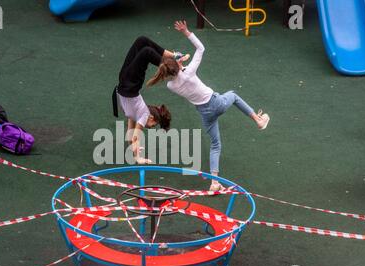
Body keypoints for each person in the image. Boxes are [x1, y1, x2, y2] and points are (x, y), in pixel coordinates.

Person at [147, 21, 270, 191]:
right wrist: (186, 32)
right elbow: (201, 48)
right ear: (178, 66)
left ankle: (214, 182)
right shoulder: (188, 72)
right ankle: (258, 120)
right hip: (215, 103)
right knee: (233, 95)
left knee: (215, 144)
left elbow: (178, 74)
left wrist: (179, 63)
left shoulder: (171, 86)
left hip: (205, 114)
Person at [114, 36, 182, 164]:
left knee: (142, 43)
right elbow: (136, 136)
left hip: (125, 82)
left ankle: (172, 60)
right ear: (151, 118)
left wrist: (132, 148)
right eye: (153, 125)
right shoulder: (144, 115)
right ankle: (172, 65)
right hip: (130, 84)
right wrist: (138, 158)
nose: (150, 128)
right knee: (145, 49)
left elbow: (131, 133)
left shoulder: (135, 114)